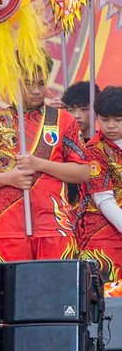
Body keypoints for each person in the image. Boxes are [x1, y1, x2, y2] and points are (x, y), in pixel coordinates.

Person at [0, 72, 91, 262]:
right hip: (9, 228)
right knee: (13, 290)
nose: (36, 91)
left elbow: (83, 172)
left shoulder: (63, 120)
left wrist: (40, 164)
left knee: (55, 290)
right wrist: (7, 178)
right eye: (27, 84)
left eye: (41, 84)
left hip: (54, 226)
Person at [75, 86, 122, 281]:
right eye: (105, 120)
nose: (111, 126)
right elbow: (104, 200)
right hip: (103, 235)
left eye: (118, 120)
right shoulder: (94, 150)